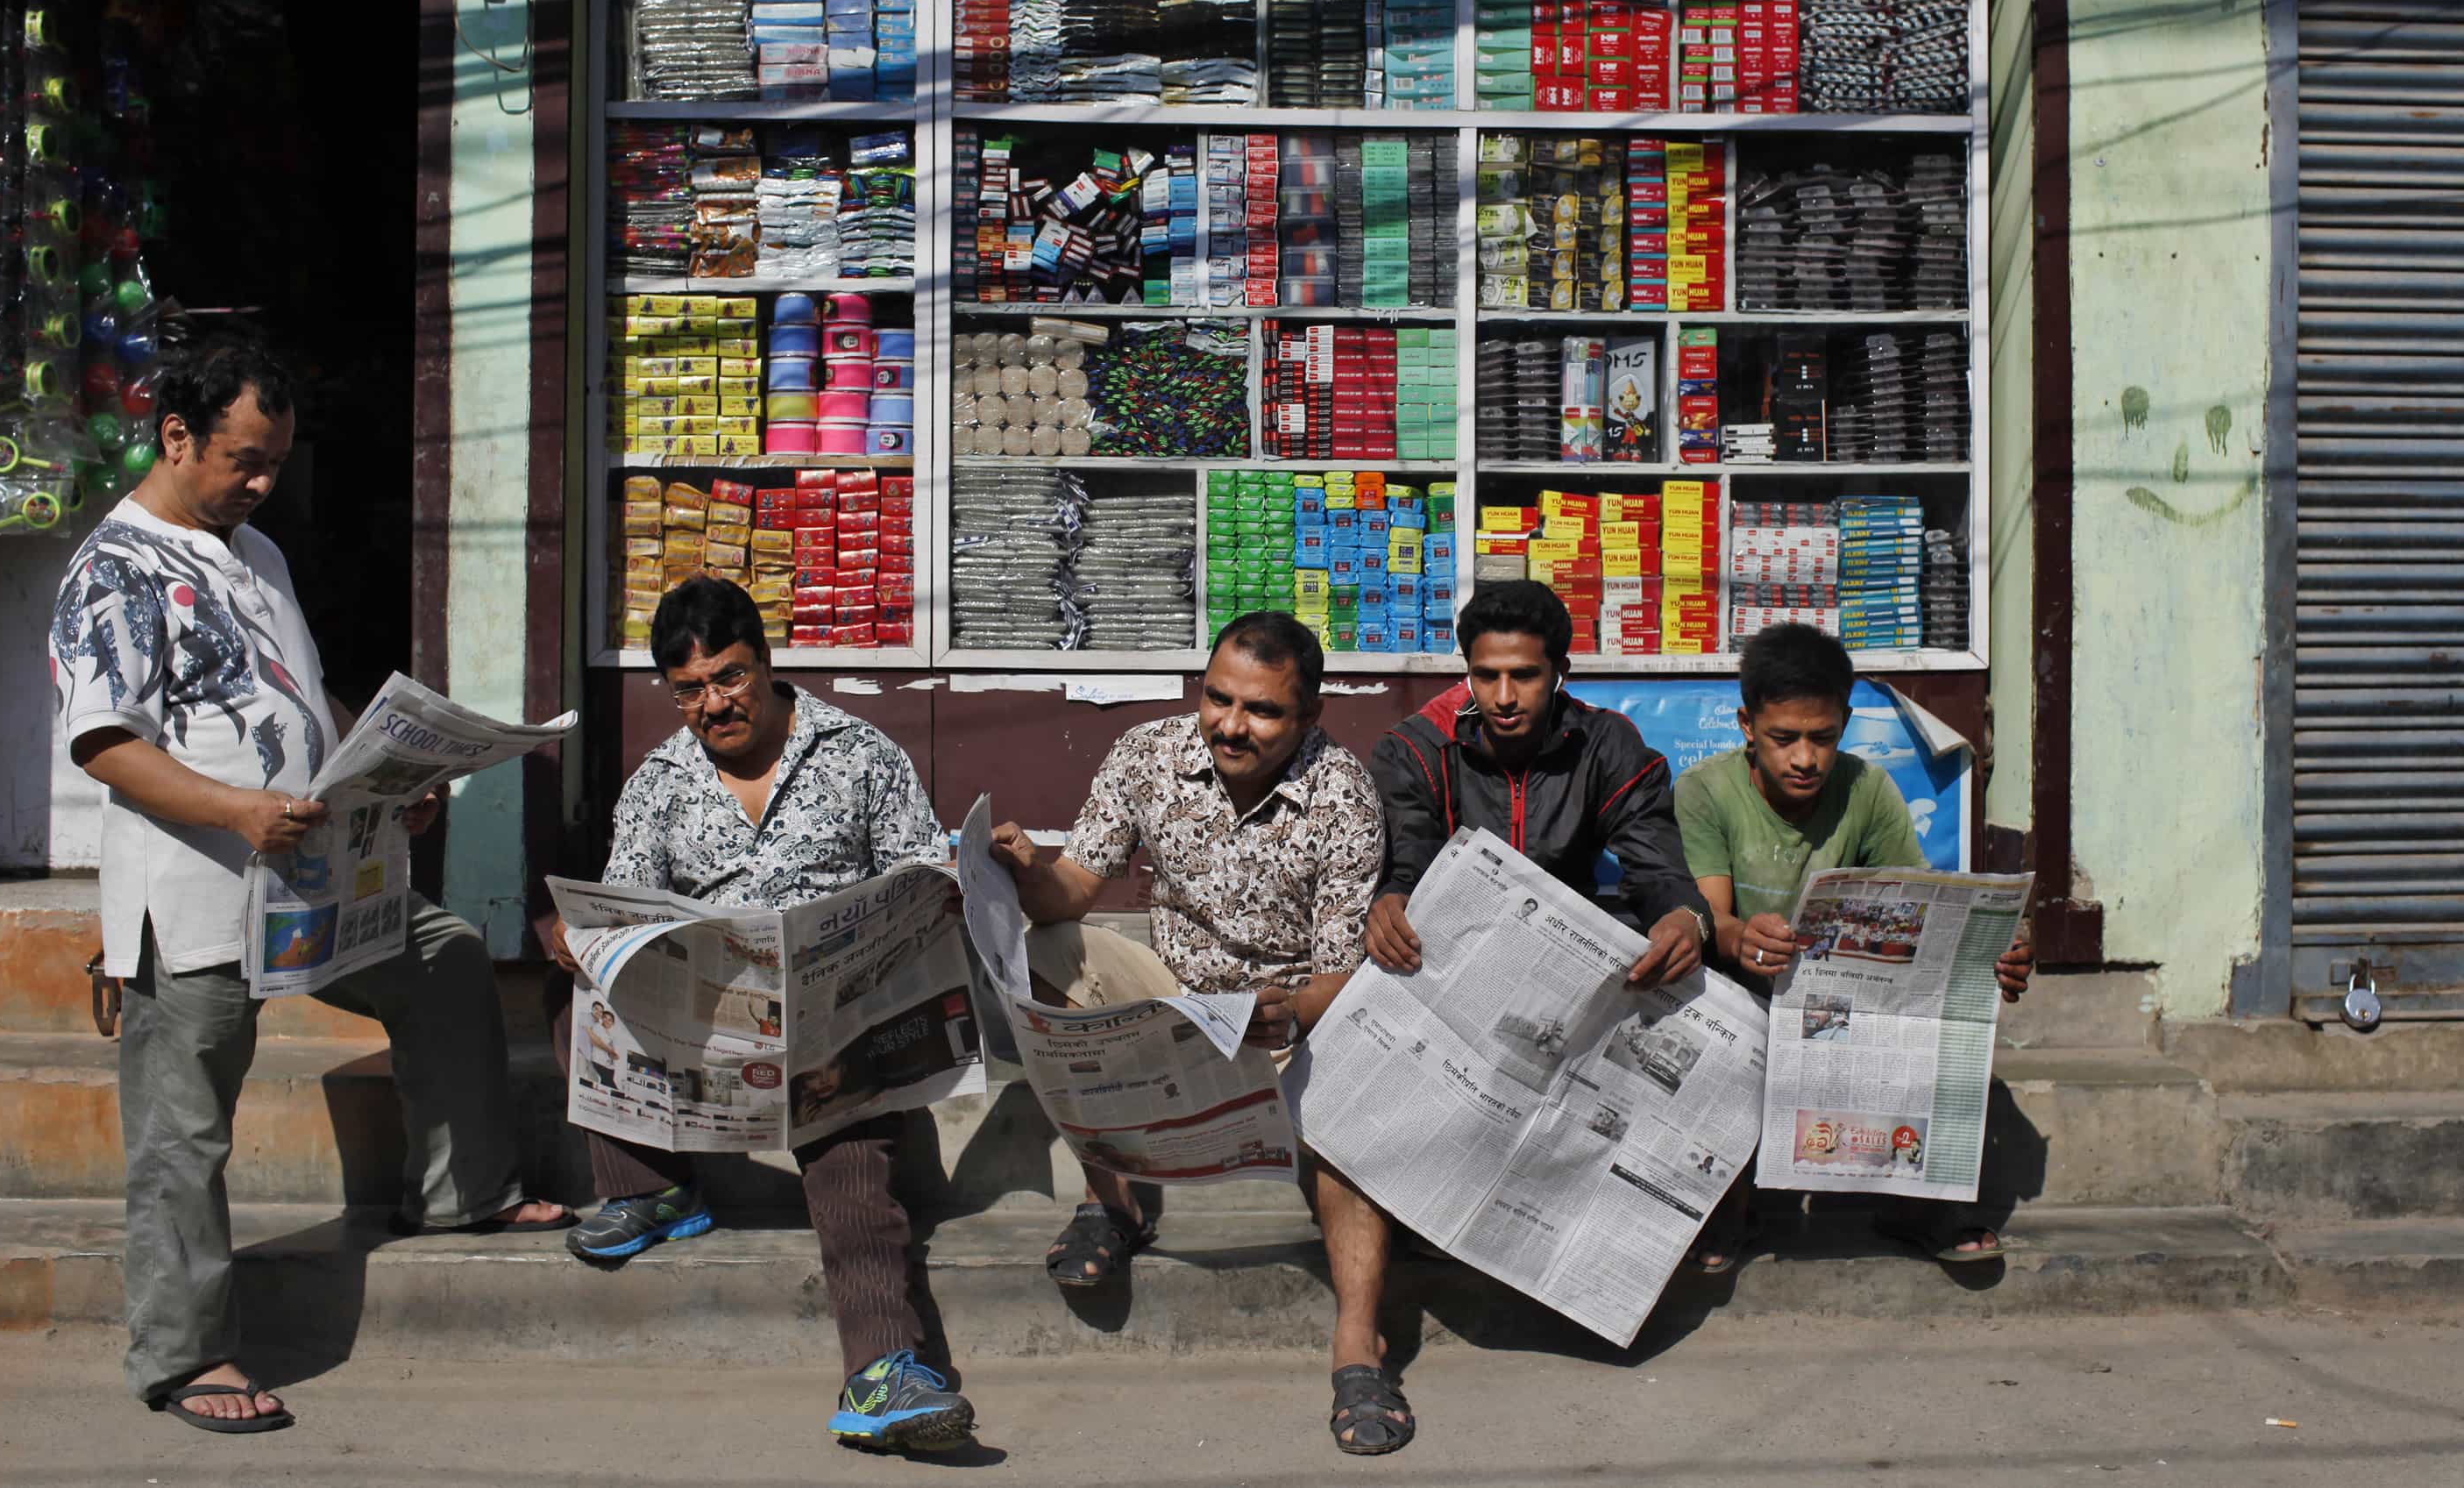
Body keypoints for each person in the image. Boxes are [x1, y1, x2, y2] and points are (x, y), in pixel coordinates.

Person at [51, 331, 571, 1438]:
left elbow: (297, 688)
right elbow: (104, 744)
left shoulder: (256, 550)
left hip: (312, 874)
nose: (263, 481)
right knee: (183, 1132)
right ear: (176, 435)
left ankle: (458, 1189)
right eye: (244, 459)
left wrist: (387, 776)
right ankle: (183, 1353)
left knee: (446, 960)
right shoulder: (115, 567)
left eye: (275, 460)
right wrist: (238, 809)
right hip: (194, 895)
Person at [536, 574, 971, 1454]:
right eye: (689, 689)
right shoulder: (658, 781)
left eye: (729, 678)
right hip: (710, 1033)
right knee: (575, 992)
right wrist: (580, 937)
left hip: (835, 1033)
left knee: (851, 1171)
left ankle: (885, 1370)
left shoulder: (862, 754)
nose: (713, 704)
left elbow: (926, 882)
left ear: (768, 663)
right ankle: (650, 1187)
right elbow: (625, 907)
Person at [987, 613, 1410, 1457]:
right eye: (1218, 698)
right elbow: (1074, 890)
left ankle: (1359, 1344)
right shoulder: (1147, 754)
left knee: (1352, 1102)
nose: (1230, 724)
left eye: (1261, 711)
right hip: (1176, 993)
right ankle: (1114, 1203)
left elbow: (1340, 972)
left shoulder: (1343, 794)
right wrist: (1030, 868)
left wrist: (1284, 1011)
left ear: (1309, 717)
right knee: (1049, 954)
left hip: (1289, 1010)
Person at [1675, 620, 2032, 1267]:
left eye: (1823, 737)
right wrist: (1737, 937)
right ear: (1746, 726)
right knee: (1716, 1017)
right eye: (1784, 738)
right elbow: (1711, 917)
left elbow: (1919, 914)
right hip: (1747, 985)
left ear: (1844, 722)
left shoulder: (1868, 789)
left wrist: (1989, 958)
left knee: (1933, 1019)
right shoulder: (1705, 790)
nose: (1805, 758)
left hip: (1842, 994)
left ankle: (1916, 1205)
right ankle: (1727, 1208)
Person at [1361, 580, 1709, 989]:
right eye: (1487, 676)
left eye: (1524, 676)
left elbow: (1654, 862)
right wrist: (1392, 901)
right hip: (1447, 961)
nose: (1504, 697)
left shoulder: (1604, 744)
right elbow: (1410, 863)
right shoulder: (1416, 748)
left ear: (1559, 673)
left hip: (1565, 965)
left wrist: (1686, 916)